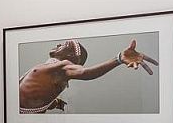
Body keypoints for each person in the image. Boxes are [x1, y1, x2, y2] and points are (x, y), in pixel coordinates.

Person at [18, 39, 157, 114]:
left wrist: (118, 59)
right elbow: (38, 96)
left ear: (71, 55)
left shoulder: (63, 67)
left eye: (64, 45)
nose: (59, 44)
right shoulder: (52, 70)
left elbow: (85, 73)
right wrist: (56, 104)